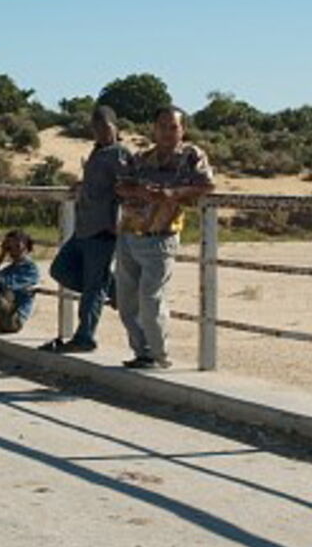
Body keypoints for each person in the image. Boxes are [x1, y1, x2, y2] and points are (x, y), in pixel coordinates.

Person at [114, 106, 215, 370]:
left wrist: (173, 194)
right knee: (126, 302)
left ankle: (159, 354)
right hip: (129, 233)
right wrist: (140, 190)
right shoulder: (141, 158)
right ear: (154, 129)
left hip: (161, 235)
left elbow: (206, 185)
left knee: (151, 298)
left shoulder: (191, 156)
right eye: (162, 126)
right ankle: (143, 352)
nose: (167, 132)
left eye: (173, 127)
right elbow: (121, 185)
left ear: (183, 130)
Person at [41, 105, 131, 353]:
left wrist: (119, 216)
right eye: (97, 128)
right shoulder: (97, 152)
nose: (102, 133)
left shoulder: (119, 154)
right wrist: (83, 185)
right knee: (61, 269)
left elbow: (128, 187)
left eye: (106, 128)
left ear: (115, 128)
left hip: (103, 229)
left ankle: (85, 336)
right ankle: (114, 290)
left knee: (92, 286)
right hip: (84, 227)